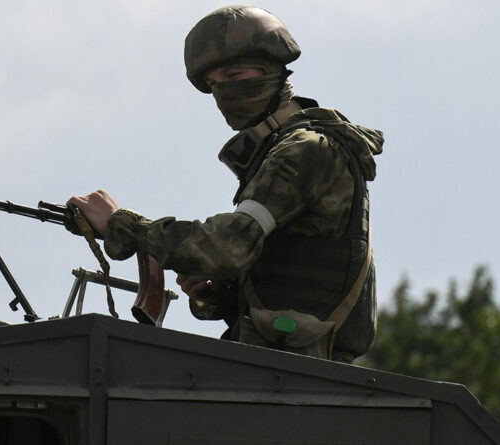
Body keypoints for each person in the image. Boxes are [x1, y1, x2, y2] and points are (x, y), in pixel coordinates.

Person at [69, 6, 383, 363]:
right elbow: (286, 270)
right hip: (284, 363)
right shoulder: (283, 149)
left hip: (298, 371)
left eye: (234, 74)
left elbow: (230, 245)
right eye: (214, 83)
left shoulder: (305, 150)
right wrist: (220, 293)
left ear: (272, 70)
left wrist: (124, 226)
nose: (224, 91)